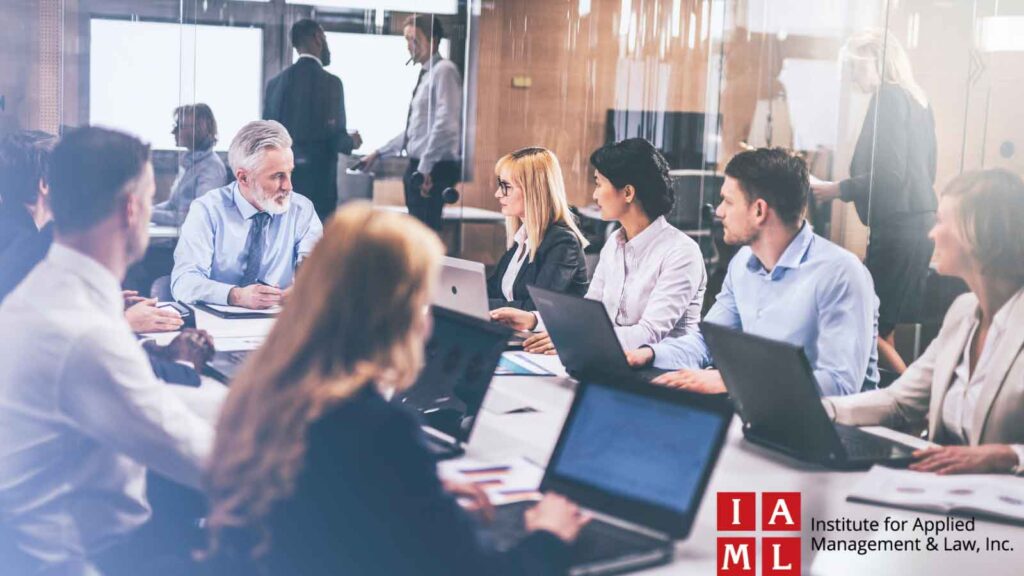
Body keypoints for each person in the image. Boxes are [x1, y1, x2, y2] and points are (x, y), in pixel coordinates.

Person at [203, 203, 587, 575]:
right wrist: (549, 534)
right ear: (394, 310)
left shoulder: (271, 386)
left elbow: (349, 508)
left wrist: (420, 495)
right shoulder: (374, 427)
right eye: (422, 301)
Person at [0, 126, 225, 574]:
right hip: (96, 559)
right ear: (131, 209)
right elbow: (210, 463)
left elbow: (144, 395)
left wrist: (250, 403)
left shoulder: (47, 292)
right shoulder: (82, 334)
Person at [627, 148, 880, 397]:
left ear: (759, 211)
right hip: (760, 415)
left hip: (836, 430)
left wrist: (734, 381)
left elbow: (839, 385)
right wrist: (651, 353)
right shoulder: (743, 264)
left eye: (728, 201)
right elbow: (708, 343)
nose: (718, 211)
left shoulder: (841, 274)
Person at [825, 169, 1024, 475]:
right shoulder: (963, 312)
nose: (931, 234)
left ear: (982, 235)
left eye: (942, 221)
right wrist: (819, 411)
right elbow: (899, 402)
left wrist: (1009, 455)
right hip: (943, 496)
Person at [492, 138, 706, 355]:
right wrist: (532, 319)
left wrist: (573, 339)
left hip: (665, 371)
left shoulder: (681, 252)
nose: (594, 195)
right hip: (610, 359)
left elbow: (649, 333)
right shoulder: (614, 243)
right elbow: (588, 315)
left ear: (628, 193)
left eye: (599, 184)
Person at [810, 30, 937, 374]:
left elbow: (890, 176)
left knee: (868, 324)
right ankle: (894, 406)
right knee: (881, 324)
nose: (852, 78)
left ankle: (915, 406)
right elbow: (928, 171)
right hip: (917, 225)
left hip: (898, 230)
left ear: (875, 63)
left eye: (854, 68)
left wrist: (838, 188)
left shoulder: (889, 99)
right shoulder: (918, 100)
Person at [171, 120, 323, 309]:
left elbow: (318, 270)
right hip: (218, 326)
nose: (288, 187)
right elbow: (183, 282)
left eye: (289, 173)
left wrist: (305, 287)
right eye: (277, 176)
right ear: (243, 177)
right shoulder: (208, 210)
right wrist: (236, 295)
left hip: (279, 325)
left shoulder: (301, 210)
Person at [356, 14, 461, 232]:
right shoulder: (427, 74)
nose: (409, 46)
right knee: (417, 233)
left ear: (433, 39)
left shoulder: (444, 71)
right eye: (406, 40)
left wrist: (424, 170)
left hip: (432, 169)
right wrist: (378, 153)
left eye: (414, 39)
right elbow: (416, 130)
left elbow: (446, 125)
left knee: (423, 236)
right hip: (421, 166)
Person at [265, 19, 360, 222]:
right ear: (317, 37)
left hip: (281, 186)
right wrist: (352, 141)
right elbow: (335, 139)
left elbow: (267, 139)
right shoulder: (332, 84)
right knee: (315, 250)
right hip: (319, 189)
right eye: (325, 38)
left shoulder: (275, 85)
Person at [484, 147, 589, 316]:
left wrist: (481, 304)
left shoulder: (562, 242)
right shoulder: (521, 239)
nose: (498, 194)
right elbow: (492, 290)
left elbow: (537, 308)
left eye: (506, 186)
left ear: (532, 190)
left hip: (544, 339)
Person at [151, 103, 227, 226]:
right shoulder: (191, 163)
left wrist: (149, 214)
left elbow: (197, 218)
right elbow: (172, 205)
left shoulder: (211, 169)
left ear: (199, 129)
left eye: (180, 126)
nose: (173, 132)